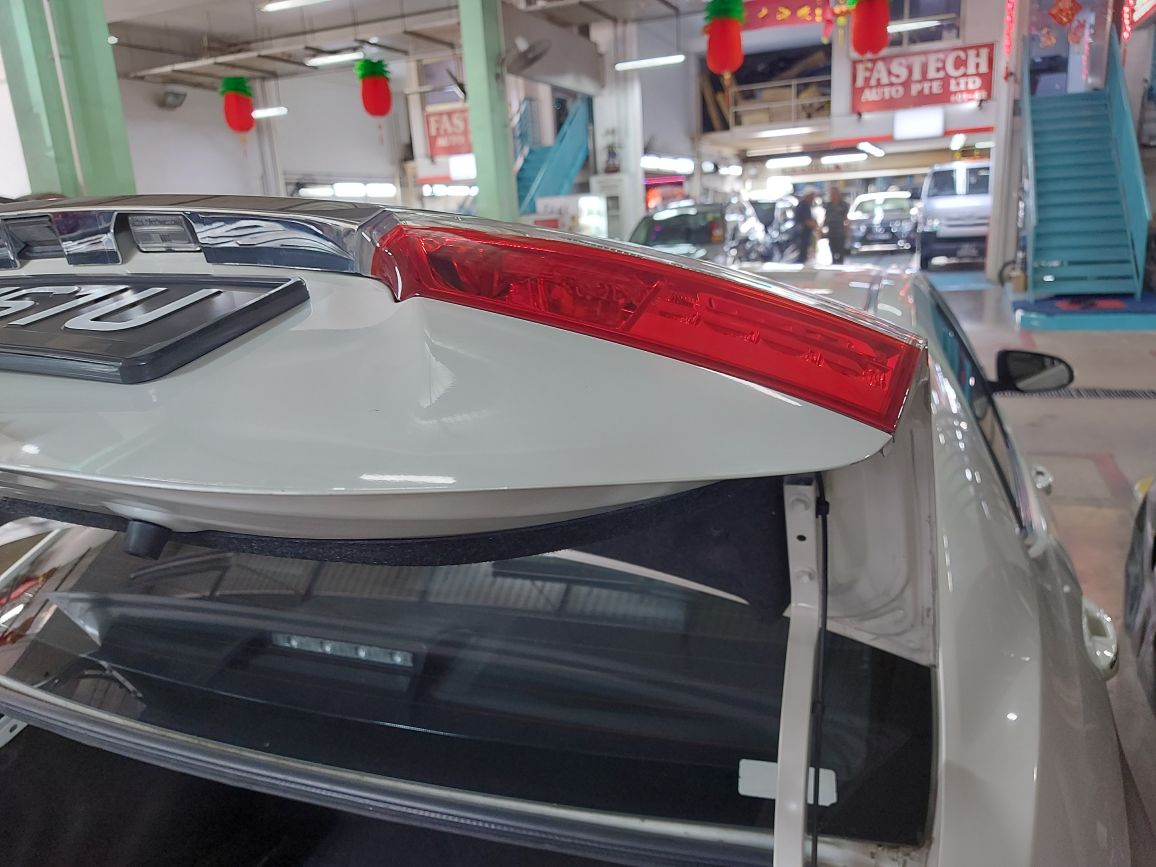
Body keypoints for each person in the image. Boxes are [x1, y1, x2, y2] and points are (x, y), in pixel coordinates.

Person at [824, 187, 850, 265]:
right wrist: (823, 229)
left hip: (840, 232)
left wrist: (847, 230)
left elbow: (846, 219)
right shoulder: (828, 205)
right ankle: (834, 264)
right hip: (831, 232)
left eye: (834, 193)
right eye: (831, 194)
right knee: (833, 251)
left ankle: (840, 265)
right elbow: (826, 217)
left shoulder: (843, 205)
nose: (832, 195)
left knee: (840, 251)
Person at [793, 190, 819, 264]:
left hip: (806, 232)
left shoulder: (808, 205)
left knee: (805, 251)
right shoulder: (803, 205)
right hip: (803, 232)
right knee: (802, 251)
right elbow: (806, 220)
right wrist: (815, 227)